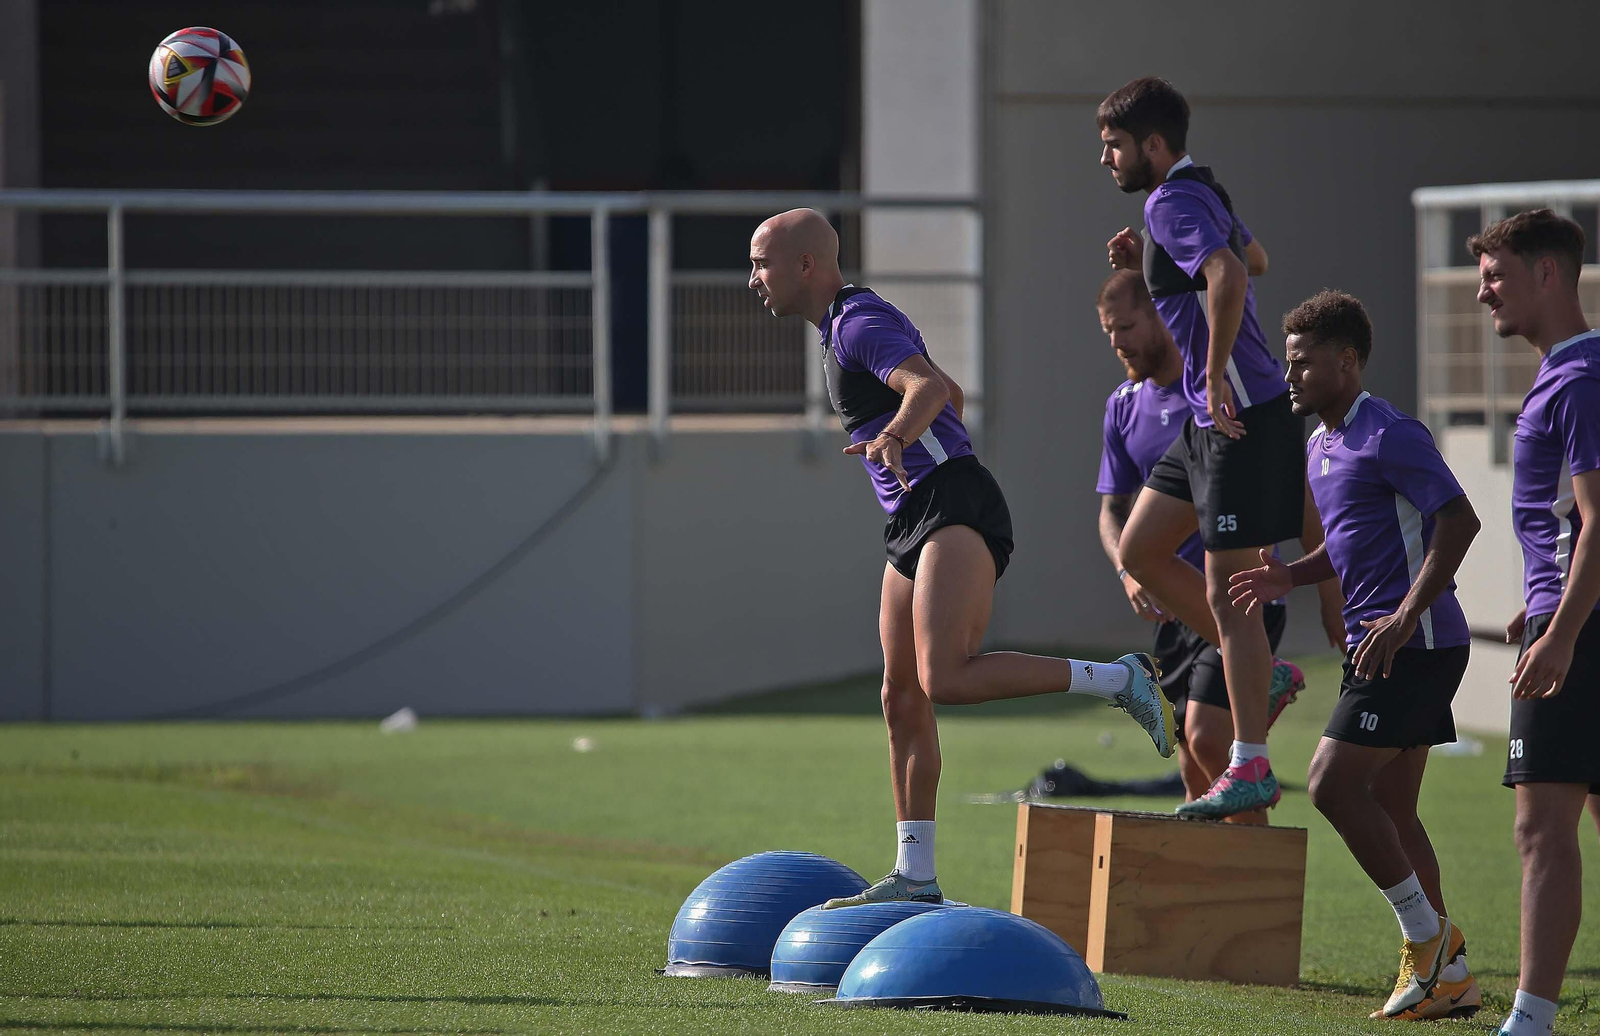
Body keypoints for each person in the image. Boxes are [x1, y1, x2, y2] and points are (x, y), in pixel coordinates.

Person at [746, 208, 1176, 908]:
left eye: (762, 262)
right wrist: (914, 436)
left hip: (953, 503)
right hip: (914, 515)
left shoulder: (856, 322)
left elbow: (932, 390)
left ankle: (1118, 680)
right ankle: (915, 875)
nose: (752, 278)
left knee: (944, 675)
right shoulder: (842, 329)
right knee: (900, 695)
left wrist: (896, 437)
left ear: (806, 265)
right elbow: (953, 391)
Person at [1231, 290, 1481, 1020]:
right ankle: (1447, 976)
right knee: (1394, 808)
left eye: (1305, 364)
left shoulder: (1390, 432)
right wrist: (1292, 574)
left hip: (1417, 644)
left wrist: (1405, 618)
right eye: (1288, 363)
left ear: (1348, 361)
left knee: (1333, 784)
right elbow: (1346, 543)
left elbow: (1458, 522)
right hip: (1383, 645)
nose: (1291, 377)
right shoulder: (1321, 444)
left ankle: (1427, 942)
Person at [1096, 77, 1306, 818]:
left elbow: (1230, 274)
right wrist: (1150, 258)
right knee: (1142, 549)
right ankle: (1266, 674)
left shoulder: (1170, 200)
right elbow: (1256, 256)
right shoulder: (1197, 193)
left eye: (1115, 145)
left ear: (1154, 146)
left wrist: (1214, 371)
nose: (1106, 159)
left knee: (1228, 592)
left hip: (1236, 411)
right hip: (1205, 419)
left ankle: (1250, 761)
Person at [1094, 270, 1343, 821]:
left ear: (1162, 313)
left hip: (1240, 595)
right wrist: (1126, 570)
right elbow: (1113, 510)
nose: (1118, 342)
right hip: (1175, 610)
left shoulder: (1214, 389)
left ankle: (1259, 893)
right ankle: (1214, 898)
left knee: (1213, 742)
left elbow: (1297, 489)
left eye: (1128, 326)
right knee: (1193, 765)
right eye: (1109, 332)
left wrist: (1328, 588)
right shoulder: (1124, 405)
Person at [1471, 208, 1600, 1036]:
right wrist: (1544, 598)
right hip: (1571, 617)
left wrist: (1560, 632)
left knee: (1539, 825)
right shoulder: (1569, 372)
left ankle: (1529, 1022)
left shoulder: (1580, 377)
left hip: (1577, 635)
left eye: (1496, 274)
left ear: (1548, 273)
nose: (1483, 291)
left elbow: (1598, 518)